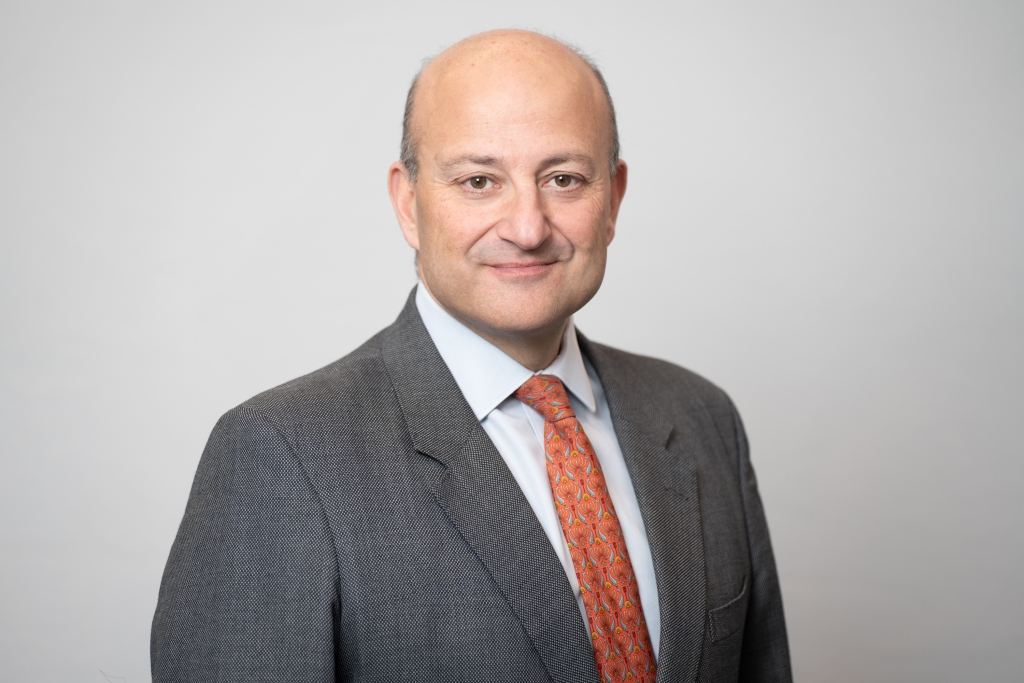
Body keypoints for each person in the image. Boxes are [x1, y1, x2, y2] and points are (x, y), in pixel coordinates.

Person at [151, 29, 792, 683]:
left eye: (564, 179)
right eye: (479, 181)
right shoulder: (282, 453)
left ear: (613, 199)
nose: (527, 228)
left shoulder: (701, 417)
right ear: (408, 203)